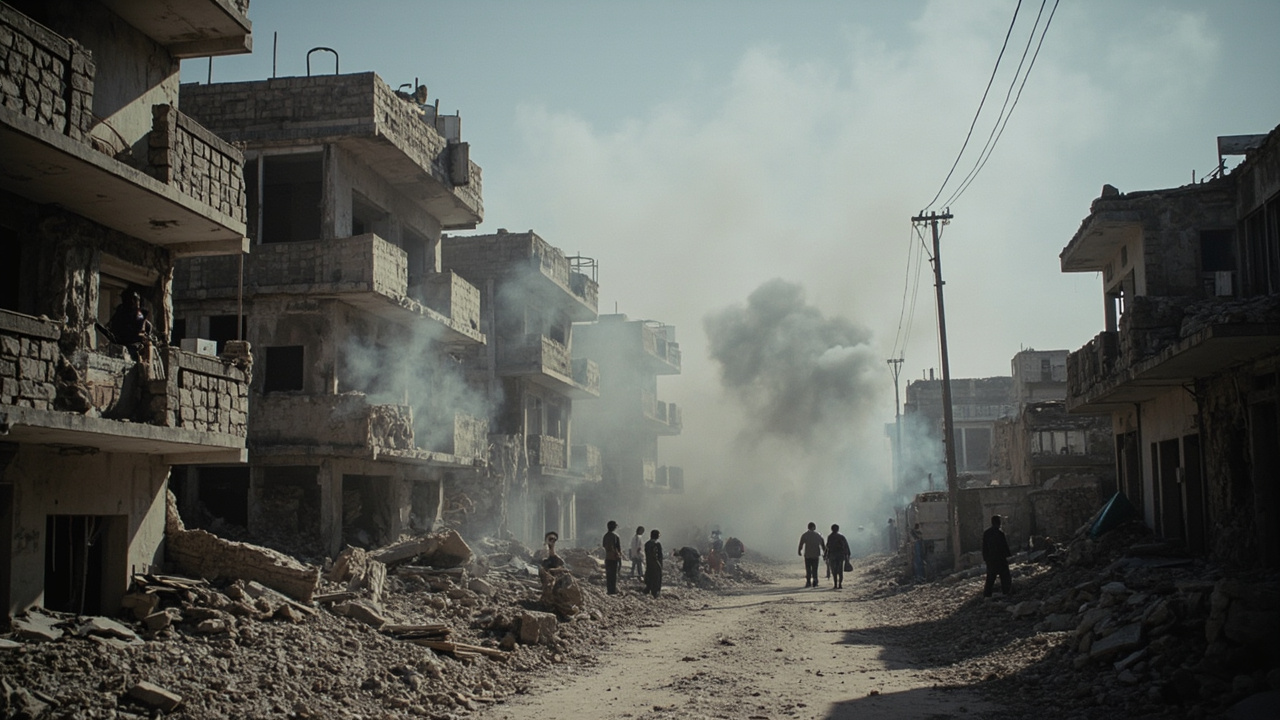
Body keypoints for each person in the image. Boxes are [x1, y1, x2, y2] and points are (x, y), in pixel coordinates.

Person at [107, 289, 153, 360]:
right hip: (119, 343)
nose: (131, 302)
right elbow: (111, 326)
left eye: (135, 300)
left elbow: (141, 329)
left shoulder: (139, 314)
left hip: (133, 345)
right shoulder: (120, 311)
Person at [982, 515, 1013, 597]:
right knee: (1005, 577)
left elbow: (984, 548)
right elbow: (1004, 546)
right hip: (1000, 559)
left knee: (990, 579)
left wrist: (986, 559)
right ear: (998, 523)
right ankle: (1006, 593)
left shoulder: (987, 533)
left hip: (991, 560)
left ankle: (987, 595)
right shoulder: (1000, 533)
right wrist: (1008, 556)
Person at [798, 522, 826, 588]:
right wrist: (825, 552)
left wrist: (799, 551)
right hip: (815, 554)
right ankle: (815, 581)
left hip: (808, 554)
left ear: (808, 527)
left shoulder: (805, 535)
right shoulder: (818, 535)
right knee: (815, 569)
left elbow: (801, 544)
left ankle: (808, 582)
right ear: (814, 527)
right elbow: (822, 545)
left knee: (808, 569)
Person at [826, 524, 851, 589]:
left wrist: (826, 555)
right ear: (838, 529)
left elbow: (827, 546)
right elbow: (846, 546)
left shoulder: (830, 537)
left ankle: (835, 584)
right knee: (840, 570)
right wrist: (848, 554)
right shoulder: (841, 536)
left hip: (832, 555)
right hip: (840, 555)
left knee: (834, 570)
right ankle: (840, 584)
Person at [602, 520, 623, 595]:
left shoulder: (605, 536)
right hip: (614, 558)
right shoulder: (616, 536)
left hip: (608, 558)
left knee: (609, 575)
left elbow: (604, 546)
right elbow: (617, 547)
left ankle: (609, 590)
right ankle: (613, 590)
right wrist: (618, 556)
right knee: (614, 575)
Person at [643, 529, 663, 598]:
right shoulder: (657, 544)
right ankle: (655, 592)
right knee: (656, 577)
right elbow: (659, 555)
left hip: (649, 562)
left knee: (649, 575)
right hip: (656, 563)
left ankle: (648, 588)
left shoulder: (647, 543)